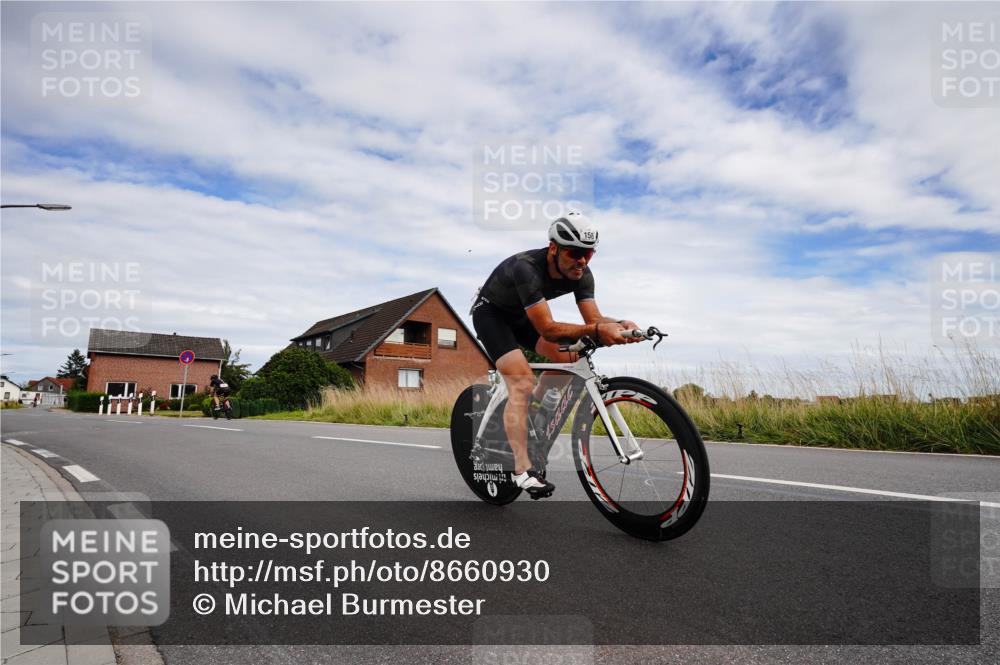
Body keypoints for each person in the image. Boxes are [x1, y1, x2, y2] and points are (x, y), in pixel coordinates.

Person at [471, 213, 640, 498]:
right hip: (492, 316)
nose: (582, 261)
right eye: (574, 253)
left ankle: (533, 416)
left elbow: (594, 319)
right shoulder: (527, 269)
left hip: (523, 317)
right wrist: (598, 330)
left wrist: (621, 324)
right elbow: (548, 329)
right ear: (553, 248)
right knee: (522, 382)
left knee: (569, 359)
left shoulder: (582, 274)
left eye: (588, 253)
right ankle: (521, 471)